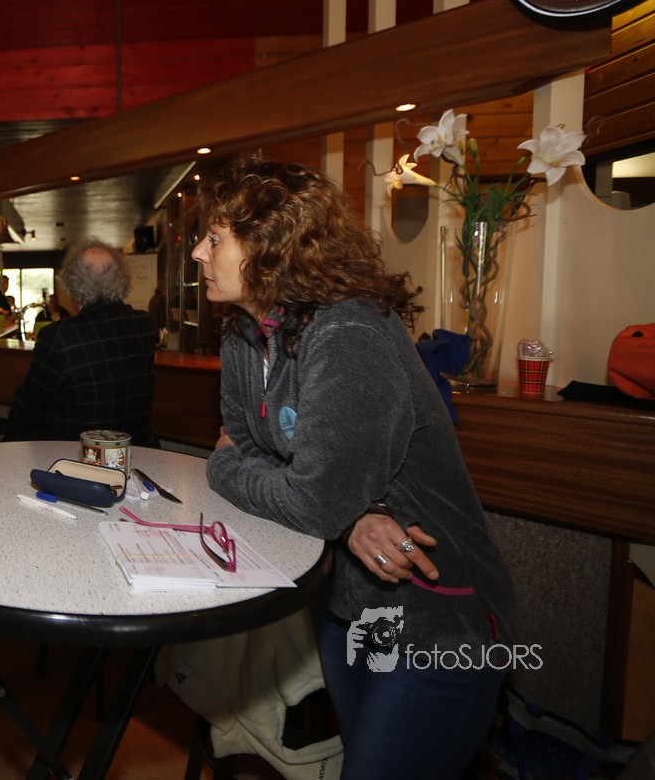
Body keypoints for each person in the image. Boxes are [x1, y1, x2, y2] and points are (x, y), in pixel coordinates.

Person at [195, 156, 516, 779]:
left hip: (437, 612)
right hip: (346, 596)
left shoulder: (349, 332)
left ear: (270, 246)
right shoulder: (242, 335)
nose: (198, 255)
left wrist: (226, 468)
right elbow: (271, 462)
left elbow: (289, 487)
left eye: (214, 239)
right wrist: (348, 514)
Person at [5, 239, 158, 445]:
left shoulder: (60, 336)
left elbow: (28, 404)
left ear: (72, 283)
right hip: (138, 450)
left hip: (76, 455)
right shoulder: (145, 324)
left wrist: (7, 443)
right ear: (121, 278)